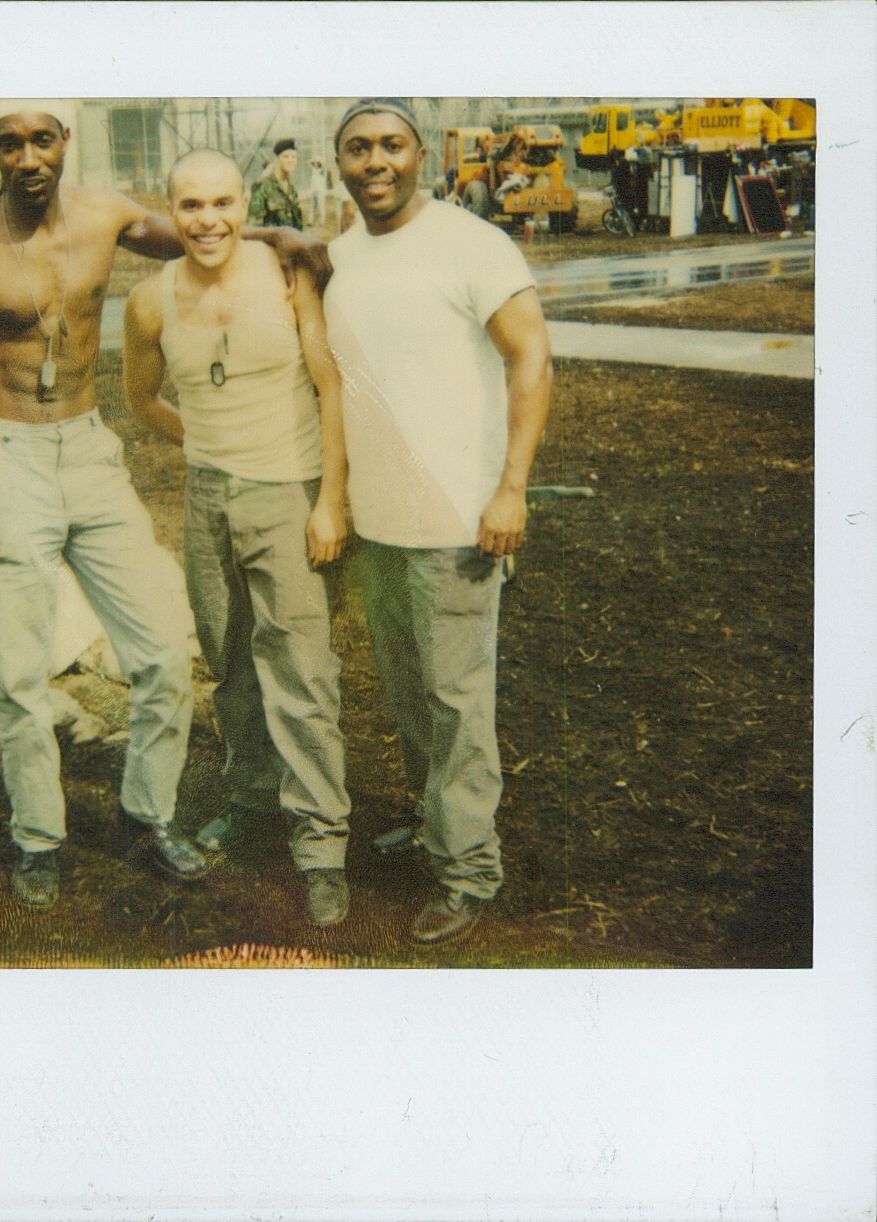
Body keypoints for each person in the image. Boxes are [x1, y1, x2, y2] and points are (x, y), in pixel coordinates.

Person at [0, 103, 326, 909]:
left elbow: (205, 237)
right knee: (20, 671)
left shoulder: (107, 215)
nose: (28, 156)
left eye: (43, 139)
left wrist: (278, 241)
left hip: (90, 448)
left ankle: (149, 815)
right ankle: (38, 836)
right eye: (10, 143)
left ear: (63, 143)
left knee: (164, 653)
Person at [324, 99, 553, 946]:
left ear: (420, 154)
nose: (375, 161)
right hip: (378, 524)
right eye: (358, 148)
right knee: (409, 695)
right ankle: (434, 827)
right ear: (338, 162)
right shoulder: (340, 256)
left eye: (391, 145)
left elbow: (530, 355)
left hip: (460, 520)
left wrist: (512, 488)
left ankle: (469, 869)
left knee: (459, 704)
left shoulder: (471, 242)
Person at [124, 149, 352, 927]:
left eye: (223, 202)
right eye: (191, 205)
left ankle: (321, 846)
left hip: (289, 488)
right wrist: (205, 446)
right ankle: (252, 805)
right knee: (229, 659)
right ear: (170, 208)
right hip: (208, 496)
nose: (208, 220)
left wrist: (330, 502)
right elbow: (140, 398)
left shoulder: (287, 276)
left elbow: (330, 383)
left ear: (246, 202)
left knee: (301, 667)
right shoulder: (149, 302)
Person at [248, 138, 304, 230]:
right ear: (276, 158)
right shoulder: (263, 186)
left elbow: (298, 225)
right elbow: (254, 228)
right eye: (286, 156)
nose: (291, 160)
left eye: (294, 156)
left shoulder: (291, 189)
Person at [308, 158, 329, 227]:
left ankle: (321, 222)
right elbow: (308, 162)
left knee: (321, 206)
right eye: (315, 163)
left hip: (320, 191)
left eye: (317, 163)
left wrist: (320, 161)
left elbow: (324, 164)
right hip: (313, 191)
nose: (316, 164)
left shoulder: (322, 171)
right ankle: (310, 221)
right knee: (312, 207)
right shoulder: (314, 170)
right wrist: (314, 161)